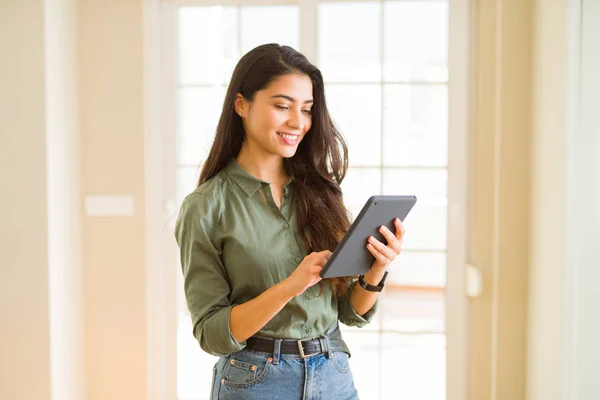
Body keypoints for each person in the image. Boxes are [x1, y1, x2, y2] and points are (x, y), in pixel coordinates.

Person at [175, 43, 405, 400]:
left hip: (334, 373)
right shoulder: (206, 207)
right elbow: (211, 333)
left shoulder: (320, 193)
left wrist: (376, 271)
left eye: (307, 109)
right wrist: (289, 287)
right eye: (282, 106)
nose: (298, 122)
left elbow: (348, 311)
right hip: (255, 380)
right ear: (241, 105)